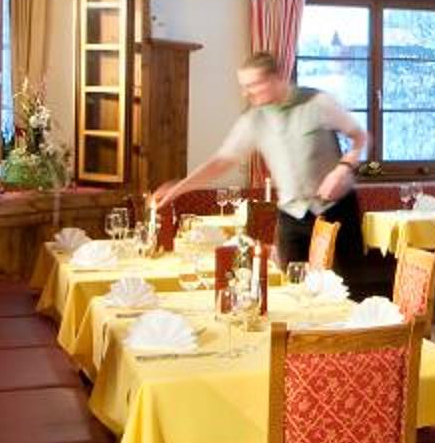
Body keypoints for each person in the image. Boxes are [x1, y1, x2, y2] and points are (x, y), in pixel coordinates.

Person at [153, 52, 377, 292]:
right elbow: (221, 161)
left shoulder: (318, 102)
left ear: (277, 78)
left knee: (347, 292)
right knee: (293, 292)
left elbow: (361, 137)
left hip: (338, 211)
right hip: (292, 217)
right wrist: (180, 188)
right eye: (244, 86)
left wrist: (342, 170)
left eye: (253, 85)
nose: (246, 93)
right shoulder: (254, 119)